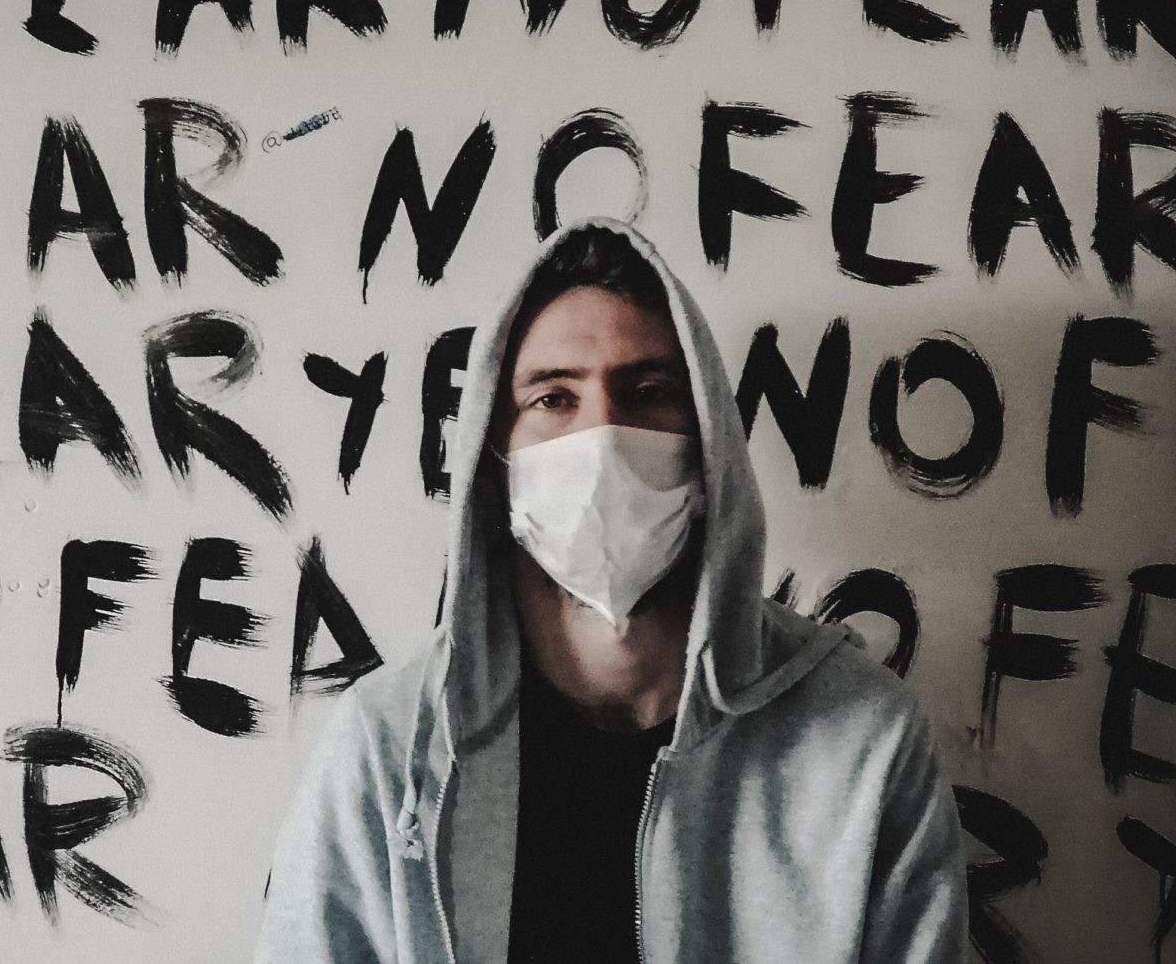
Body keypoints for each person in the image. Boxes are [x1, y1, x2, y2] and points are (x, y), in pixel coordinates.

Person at [255, 218, 967, 964]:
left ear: (709, 448)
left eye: (648, 392)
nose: (603, 439)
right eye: (552, 398)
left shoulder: (863, 740)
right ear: (493, 461)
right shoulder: (390, 742)